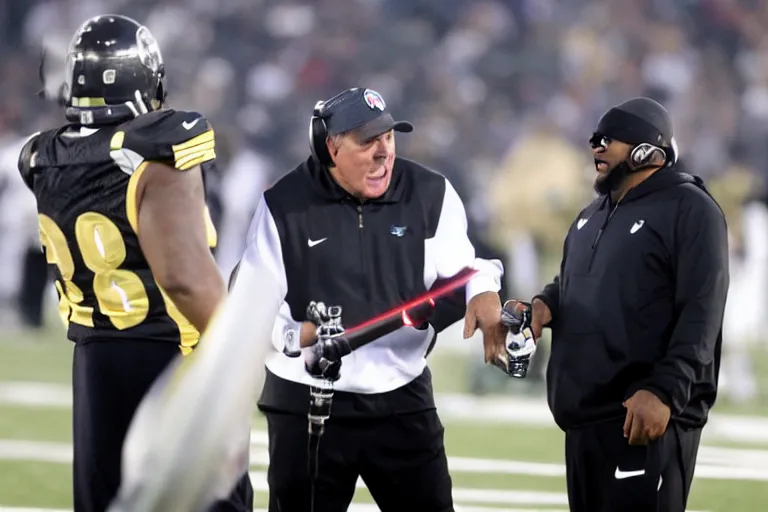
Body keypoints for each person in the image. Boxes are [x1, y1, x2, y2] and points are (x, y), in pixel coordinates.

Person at [229, 87, 506, 512]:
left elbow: (465, 269)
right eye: (368, 141)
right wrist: (297, 338)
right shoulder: (284, 205)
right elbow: (251, 305)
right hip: (307, 402)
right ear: (330, 147)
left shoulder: (431, 194)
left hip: (401, 394)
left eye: (389, 138)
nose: (384, 153)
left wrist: (484, 291)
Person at [17, 14, 252, 512]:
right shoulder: (159, 148)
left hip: (95, 360)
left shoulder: (44, 157)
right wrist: (237, 356)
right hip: (169, 355)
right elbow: (184, 279)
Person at [513, 97, 729, 512]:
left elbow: (702, 311)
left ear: (649, 149)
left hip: (643, 419)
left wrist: (665, 392)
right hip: (585, 420)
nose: (595, 147)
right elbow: (578, 284)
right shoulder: (590, 215)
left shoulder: (690, 208)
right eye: (594, 138)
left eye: (607, 139)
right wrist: (543, 305)